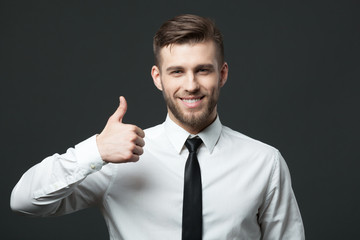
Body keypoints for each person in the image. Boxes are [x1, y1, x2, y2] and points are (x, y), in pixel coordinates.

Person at [10, 14, 305, 239]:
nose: (191, 85)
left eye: (203, 70)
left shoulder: (264, 162)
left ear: (223, 73)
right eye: (177, 72)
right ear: (157, 77)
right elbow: (24, 200)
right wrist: (96, 150)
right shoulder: (116, 159)